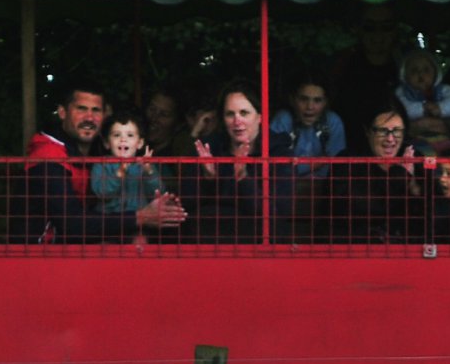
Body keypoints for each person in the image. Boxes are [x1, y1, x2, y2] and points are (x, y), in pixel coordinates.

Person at [21, 80, 185, 243]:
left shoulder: (94, 153)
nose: (89, 118)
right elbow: (72, 224)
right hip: (41, 252)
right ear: (62, 112)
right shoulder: (48, 154)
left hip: (81, 245)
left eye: (96, 111)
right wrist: (142, 216)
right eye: (81, 109)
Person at [270, 76, 346, 238]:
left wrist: (299, 167)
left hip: (323, 200)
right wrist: (316, 163)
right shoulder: (283, 119)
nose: (310, 107)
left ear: (326, 102)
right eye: (303, 99)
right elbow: (274, 167)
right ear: (292, 99)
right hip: (284, 197)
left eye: (317, 100)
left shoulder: (333, 122)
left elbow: (338, 168)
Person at [335, 106, 424, 242]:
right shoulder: (347, 159)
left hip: (403, 248)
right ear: (368, 131)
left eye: (397, 131)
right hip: (355, 244)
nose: (390, 139)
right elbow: (356, 208)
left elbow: (430, 209)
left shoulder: (414, 157)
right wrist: (400, 175)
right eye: (382, 131)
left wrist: (416, 191)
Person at [193, 82, 267, 243]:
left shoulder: (277, 151)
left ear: (260, 117)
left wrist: (244, 179)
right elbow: (188, 209)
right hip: (212, 246)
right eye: (230, 114)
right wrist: (209, 178)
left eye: (244, 113)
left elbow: (275, 215)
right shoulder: (209, 149)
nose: (237, 121)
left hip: (259, 248)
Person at [329, 2, 411, 143]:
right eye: (370, 27)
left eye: (386, 27)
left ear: (395, 30)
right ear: (359, 29)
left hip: (393, 149)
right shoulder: (342, 64)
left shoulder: (408, 67)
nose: (378, 34)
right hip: (349, 150)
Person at [88, 115, 167, 232]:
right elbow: (101, 193)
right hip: (108, 222)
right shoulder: (101, 164)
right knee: (105, 246)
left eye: (130, 135)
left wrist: (149, 172)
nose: (123, 139)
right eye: (116, 135)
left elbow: (158, 194)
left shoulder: (145, 165)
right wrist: (119, 174)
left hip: (139, 223)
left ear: (140, 143)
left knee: (140, 242)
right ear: (107, 143)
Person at [394, 49, 450, 123]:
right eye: (414, 70)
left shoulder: (444, 89)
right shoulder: (401, 92)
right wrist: (422, 109)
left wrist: (441, 108)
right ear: (405, 75)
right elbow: (401, 108)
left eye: (426, 70)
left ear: (436, 73)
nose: (420, 73)